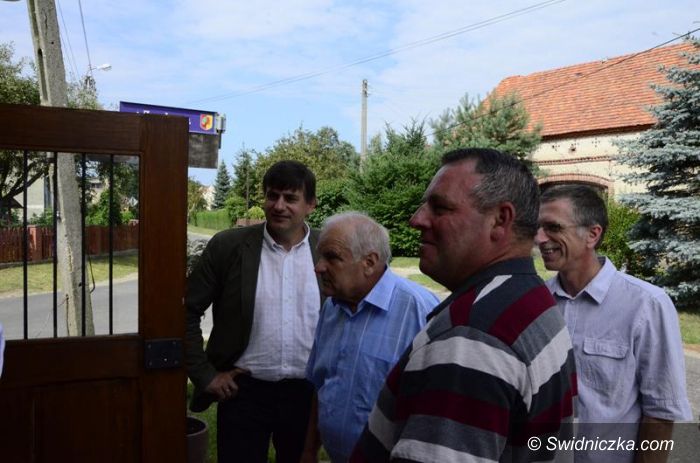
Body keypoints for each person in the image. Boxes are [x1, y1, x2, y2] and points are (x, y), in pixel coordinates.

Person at [352, 148, 577, 462]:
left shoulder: (471, 338)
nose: (416, 219)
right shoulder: (528, 297)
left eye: (440, 207)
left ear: (500, 220)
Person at [536, 185, 692, 462]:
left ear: (592, 234)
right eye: (537, 227)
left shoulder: (646, 304)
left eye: (553, 227)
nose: (539, 238)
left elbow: (660, 412)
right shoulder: (537, 302)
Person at [185, 160, 322, 463]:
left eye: (290, 198)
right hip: (243, 394)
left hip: (307, 395)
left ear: (311, 204)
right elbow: (186, 310)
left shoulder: (327, 248)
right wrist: (205, 375)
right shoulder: (228, 246)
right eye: (272, 196)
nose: (279, 206)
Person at [302, 212, 439, 462]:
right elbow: (321, 385)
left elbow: (436, 410)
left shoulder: (419, 310)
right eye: (321, 256)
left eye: (332, 257)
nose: (318, 267)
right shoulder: (332, 307)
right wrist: (309, 451)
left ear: (369, 262)